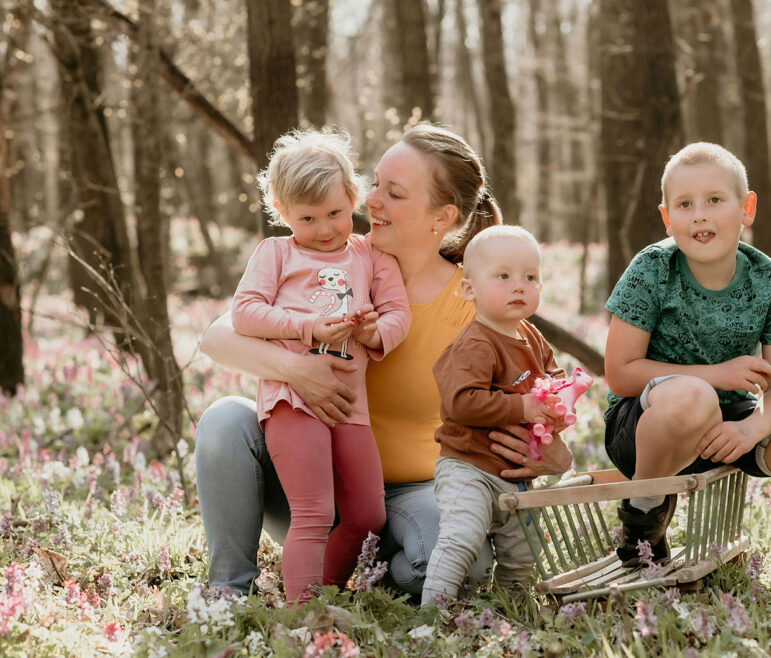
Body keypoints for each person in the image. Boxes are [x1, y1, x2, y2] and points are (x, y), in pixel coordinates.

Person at [194, 124, 573, 600]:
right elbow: (216, 335)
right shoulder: (336, 258)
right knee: (225, 420)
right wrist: (298, 371)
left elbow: (531, 405)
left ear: (443, 216)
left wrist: (554, 454)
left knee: (453, 565)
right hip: (308, 481)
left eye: (393, 193)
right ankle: (228, 593)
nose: (372, 200)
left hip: (417, 494)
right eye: (374, 183)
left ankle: (372, 576)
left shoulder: (474, 302)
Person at [603, 142, 771, 568]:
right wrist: (715, 374)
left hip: (728, 427)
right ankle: (642, 519)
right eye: (685, 204)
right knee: (694, 395)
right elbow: (620, 374)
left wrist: (752, 429)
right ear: (666, 217)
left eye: (715, 200)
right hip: (645, 430)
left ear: (747, 208)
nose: (699, 214)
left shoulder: (767, 281)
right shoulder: (652, 270)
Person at [228, 128, 411, 605]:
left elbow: (398, 314)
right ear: (283, 214)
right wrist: (310, 327)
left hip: (351, 404)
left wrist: (372, 332)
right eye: (308, 219)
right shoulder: (277, 253)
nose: (326, 229)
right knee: (312, 512)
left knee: (367, 515)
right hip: (293, 399)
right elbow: (245, 312)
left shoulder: (370, 254)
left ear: (353, 197)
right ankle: (303, 616)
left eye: (335, 213)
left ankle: (323, 596)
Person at [422, 226, 569, 604]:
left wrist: (560, 404)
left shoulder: (532, 337)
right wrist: (522, 406)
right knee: (462, 539)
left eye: (530, 277)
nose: (518, 286)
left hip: (518, 475)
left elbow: (553, 378)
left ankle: (510, 611)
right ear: (470, 290)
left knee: (524, 554)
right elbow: (461, 402)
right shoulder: (474, 344)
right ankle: (432, 613)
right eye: (503, 276)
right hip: (469, 468)